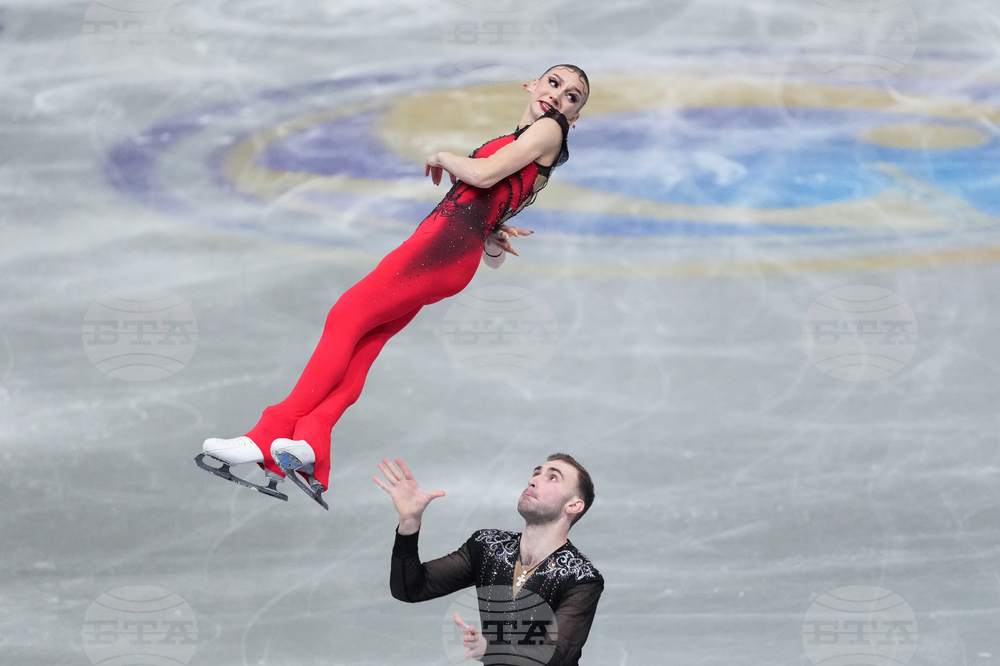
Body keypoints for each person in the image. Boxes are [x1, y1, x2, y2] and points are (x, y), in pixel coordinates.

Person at [195, 65, 590, 508]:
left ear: (574, 118)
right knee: (366, 340)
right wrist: (492, 234)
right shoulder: (525, 143)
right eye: (553, 83)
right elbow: (493, 244)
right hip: (448, 257)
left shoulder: (550, 132)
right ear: (531, 84)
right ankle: (311, 443)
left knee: (346, 316)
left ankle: (267, 434)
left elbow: (479, 177)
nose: (559, 97)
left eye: (573, 97)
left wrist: (443, 155)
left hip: (436, 250)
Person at [374, 454, 603, 666]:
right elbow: (411, 589)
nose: (533, 481)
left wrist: (490, 649)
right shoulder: (489, 547)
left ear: (573, 505)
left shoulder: (581, 577)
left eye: (552, 478)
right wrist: (409, 525)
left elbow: (558, 654)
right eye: (536, 473)